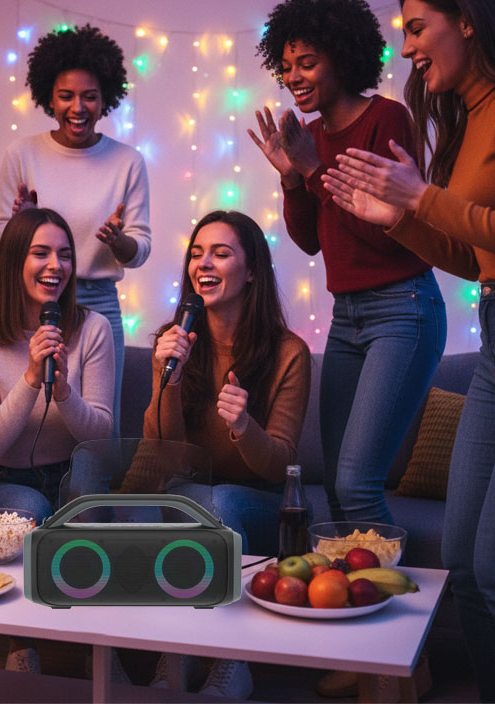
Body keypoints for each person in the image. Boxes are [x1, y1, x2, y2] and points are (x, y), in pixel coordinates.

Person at [324, 0, 495, 704]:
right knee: (463, 565)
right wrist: (402, 220)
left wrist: (424, 197)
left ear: (466, 19)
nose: (405, 48)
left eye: (416, 27)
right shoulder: (467, 121)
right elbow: (475, 255)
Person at [249, 0, 447, 530]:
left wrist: (312, 170)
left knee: (357, 485)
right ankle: (347, 605)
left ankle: (397, 603)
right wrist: (292, 178)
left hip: (402, 310)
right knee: (337, 489)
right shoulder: (308, 136)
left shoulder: (387, 119)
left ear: (343, 56)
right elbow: (313, 241)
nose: (294, 77)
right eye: (287, 67)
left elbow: (392, 238)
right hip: (347, 319)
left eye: (307, 63)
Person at [142, 210, 311, 699]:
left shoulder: (288, 354)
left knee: (219, 505)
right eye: (196, 253)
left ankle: (230, 660)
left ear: (252, 270)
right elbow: (164, 456)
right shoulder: (172, 344)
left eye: (220, 252)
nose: (203, 264)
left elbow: (282, 466)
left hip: (261, 507)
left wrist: (243, 426)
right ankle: (177, 653)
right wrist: (167, 384)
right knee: (186, 504)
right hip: (195, 498)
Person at [0, 207, 114, 672]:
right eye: (40, 253)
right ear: (12, 263)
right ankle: (21, 644)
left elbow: (101, 434)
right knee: (34, 514)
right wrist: (29, 378)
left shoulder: (93, 329)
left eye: (65, 255)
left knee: (85, 485)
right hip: (2, 478)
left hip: (75, 476)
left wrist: (63, 391)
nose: (55, 266)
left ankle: (101, 646)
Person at [0, 24, 151, 438]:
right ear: (49, 97)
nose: (78, 107)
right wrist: (20, 228)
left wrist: (119, 242)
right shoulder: (21, 153)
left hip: (98, 305)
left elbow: (140, 249)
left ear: (105, 99)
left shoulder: (127, 161)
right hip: (30, 300)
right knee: (32, 413)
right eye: (66, 95)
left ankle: (96, 504)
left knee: (99, 425)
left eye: (89, 96)